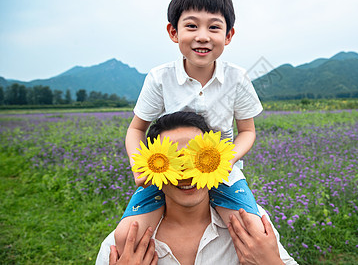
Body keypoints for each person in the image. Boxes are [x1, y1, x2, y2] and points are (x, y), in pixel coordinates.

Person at [115, 0, 265, 254]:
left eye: (214, 27)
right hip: (169, 174)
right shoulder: (160, 78)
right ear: (173, 32)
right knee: (126, 235)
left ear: (229, 35)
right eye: (192, 26)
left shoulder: (237, 78)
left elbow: (248, 131)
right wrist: (140, 166)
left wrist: (227, 160)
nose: (203, 36)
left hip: (220, 173)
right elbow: (136, 129)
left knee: (253, 232)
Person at [96, 112, 298, 265]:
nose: (186, 172)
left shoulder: (252, 229)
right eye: (173, 159)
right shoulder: (124, 245)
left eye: (197, 157)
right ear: (153, 166)